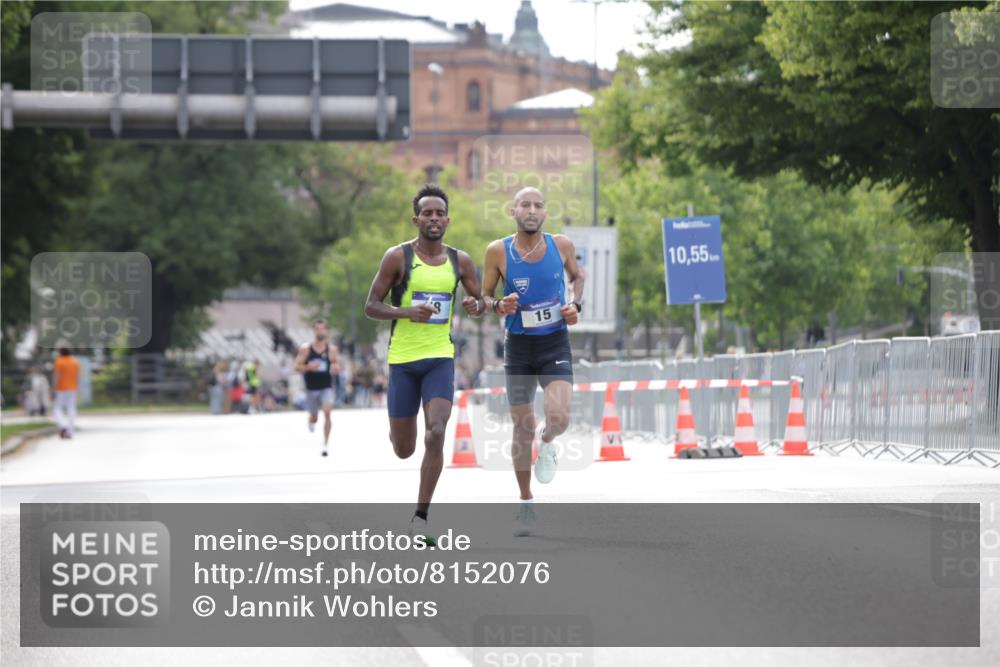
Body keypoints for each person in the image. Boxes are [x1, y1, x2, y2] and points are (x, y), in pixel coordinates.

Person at [364, 184, 485, 542]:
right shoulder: (397, 257)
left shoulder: (460, 261)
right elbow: (371, 305)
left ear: (448, 219)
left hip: (439, 360)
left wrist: (476, 307)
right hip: (403, 360)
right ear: (416, 218)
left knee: (437, 432)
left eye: (439, 213)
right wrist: (405, 312)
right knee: (405, 450)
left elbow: (480, 303)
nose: (434, 219)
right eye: (427, 213)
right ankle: (396, 430)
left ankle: (421, 518)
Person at [481, 186, 585, 536]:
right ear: (513, 211)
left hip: (555, 342)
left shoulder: (562, 245)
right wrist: (498, 306)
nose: (531, 210)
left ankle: (550, 441)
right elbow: (484, 296)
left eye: (538, 205)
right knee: (521, 427)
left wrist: (575, 305)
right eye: (525, 204)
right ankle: (526, 502)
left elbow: (578, 277)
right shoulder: (498, 251)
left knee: (558, 417)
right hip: (519, 347)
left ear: (545, 213)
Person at [294, 319, 339, 456]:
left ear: (326, 331)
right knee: (315, 417)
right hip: (311, 388)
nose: (320, 331)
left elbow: (335, 364)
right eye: (317, 329)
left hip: (326, 386)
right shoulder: (306, 349)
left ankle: (325, 445)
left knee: (327, 412)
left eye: (322, 329)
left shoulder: (331, 349)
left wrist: (336, 368)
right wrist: (309, 367)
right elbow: (296, 367)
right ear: (314, 331)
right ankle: (311, 420)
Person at [52, 347, 81, 439]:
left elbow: (57, 376)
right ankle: (70, 431)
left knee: (57, 409)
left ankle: (63, 425)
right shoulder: (75, 362)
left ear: (61, 352)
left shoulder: (59, 361)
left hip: (61, 388)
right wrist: (77, 387)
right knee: (71, 409)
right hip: (73, 388)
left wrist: (53, 388)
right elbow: (78, 376)